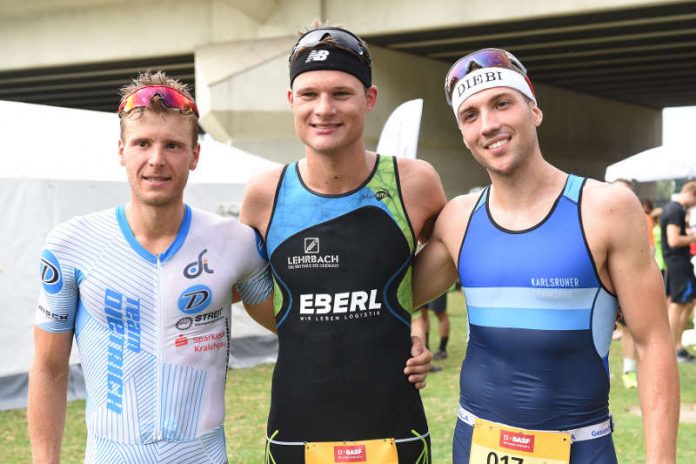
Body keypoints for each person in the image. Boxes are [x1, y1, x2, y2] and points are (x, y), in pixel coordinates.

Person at [413, 48, 679, 463]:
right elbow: (386, 299)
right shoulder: (458, 218)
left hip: (581, 447)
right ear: (463, 136)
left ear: (534, 110)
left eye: (502, 104)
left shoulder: (606, 208)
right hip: (473, 444)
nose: (489, 125)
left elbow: (653, 344)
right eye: (471, 115)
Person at [28, 72, 274, 464]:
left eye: (173, 145)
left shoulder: (235, 242)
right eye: (143, 143)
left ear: (194, 155)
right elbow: (49, 368)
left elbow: (296, 326)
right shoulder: (72, 243)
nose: (156, 159)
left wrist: (407, 329)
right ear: (122, 149)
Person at [241, 24, 446, 464]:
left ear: (369, 99)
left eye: (341, 93)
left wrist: (400, 324)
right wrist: (322, 327)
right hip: (298, 430)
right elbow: (258, 295)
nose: (324, 109)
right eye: (310, 94)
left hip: (395, 430)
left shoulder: (415, 183)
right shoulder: (264, 195)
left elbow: (446, 262)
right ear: (292, 101)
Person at [660, 181, 696, 362]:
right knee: (679, 304)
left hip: (676, 263)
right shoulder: (676, 211)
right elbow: (673, 240)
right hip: (678, 263)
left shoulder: (675, 210)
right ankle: (675, 348)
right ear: (690, 194)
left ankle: (674, 346)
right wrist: (694, 236)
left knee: (684, 302)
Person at [420, 292, 450, 361]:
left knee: (440, 314)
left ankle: (442, 349)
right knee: (423, 314)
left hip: (436, 284)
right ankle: (426, 347)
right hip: (421, 284)